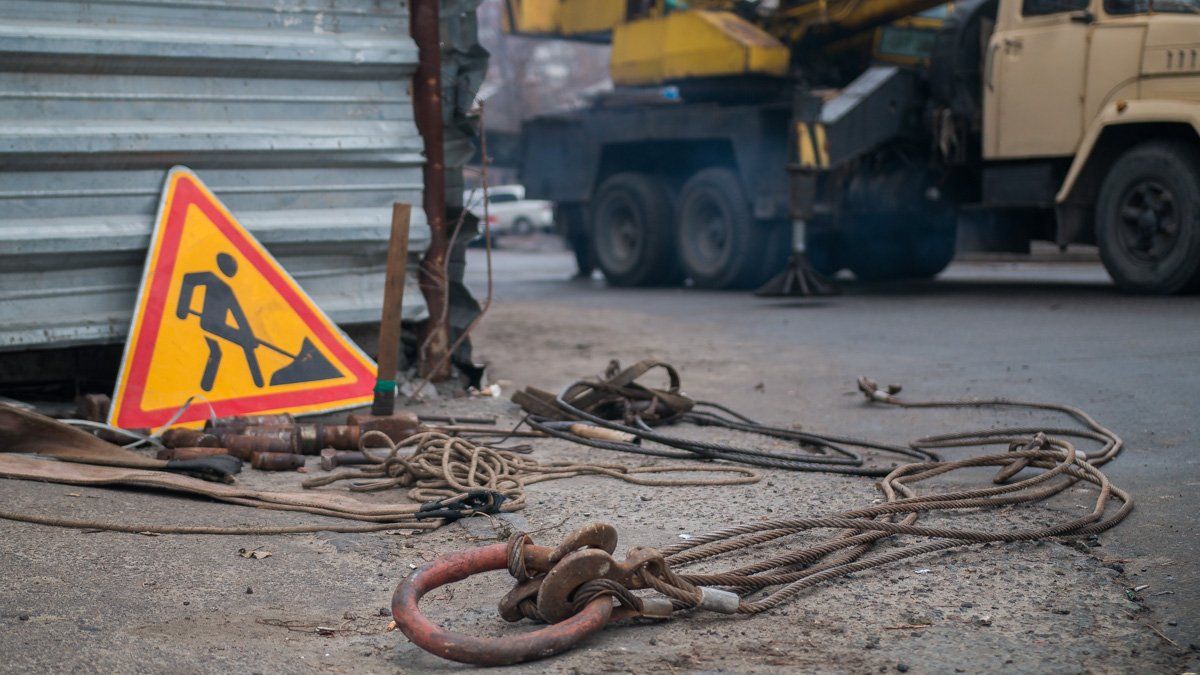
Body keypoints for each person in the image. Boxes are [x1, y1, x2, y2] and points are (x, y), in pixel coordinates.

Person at [175, 252, 264, 391]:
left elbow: (238, 314)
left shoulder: (227, 288)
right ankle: (259, 383)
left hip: (217, 326)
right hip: (210, 324)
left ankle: (258, 386)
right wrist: (182, 308)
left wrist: (249, 335)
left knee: (220, 351)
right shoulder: (210, 277)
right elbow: (188, 279)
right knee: (235, 347)